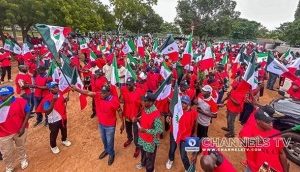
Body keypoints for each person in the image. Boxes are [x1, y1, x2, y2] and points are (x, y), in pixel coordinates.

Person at [72, 84, 121, 165]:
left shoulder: (114, 100)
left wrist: (122, 123)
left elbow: (119, 111)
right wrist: (77, 89)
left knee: (109, 141)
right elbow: (87, 92)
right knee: (104, 140)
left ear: (109, 93)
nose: (101, 94)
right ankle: (106, 150)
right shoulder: (98, 95)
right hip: (101, 124)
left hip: (110, 126)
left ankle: (111, 154)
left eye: (104, 93)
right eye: (101, 92)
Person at [0, 86, 31, 172]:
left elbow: (28, 112)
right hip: (3, 133)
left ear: (12, 94)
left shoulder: (21, 101)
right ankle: (9, 167)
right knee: (6, 152)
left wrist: (23, 127)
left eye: (6, 95)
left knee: (21, 146)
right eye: (1, 95)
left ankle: (23, 159)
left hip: (19, 130)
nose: (3, 97)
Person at [36, 82, 71, 154]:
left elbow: (61, 101)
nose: (56, 88)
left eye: (57, 86)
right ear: (50, 89)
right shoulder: (46, 98)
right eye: (54, 87)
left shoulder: (60, 93)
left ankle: (64, 140)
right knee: (54, 133)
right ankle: (53, 146)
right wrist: (53, 101)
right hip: (54, 120)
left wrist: (65, 100)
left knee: (64, 129)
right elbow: (47, 111)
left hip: (63, 116)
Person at [165, 95, 198, 170]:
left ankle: (188, 168)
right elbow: (170, 115)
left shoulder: (193, 113)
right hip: (174, 133)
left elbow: (195, 123)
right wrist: (168, 118)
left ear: (189, 104)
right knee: (172, 148)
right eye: (181, 102)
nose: (182, 104)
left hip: (185, 137)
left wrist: (194, 133)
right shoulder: (176, 109)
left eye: (185, 103)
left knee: (183, 155)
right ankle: (171, 159)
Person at [136, 92, 163, 172]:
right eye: (143, 100)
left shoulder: (156, 114)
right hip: (142, 137)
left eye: (145, 101)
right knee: (143, 152)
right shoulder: (145, 108)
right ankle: (143, 163)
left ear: (151, 102)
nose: (142, 102)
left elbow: (159, 130)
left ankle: (150, 169)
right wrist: (138, 119)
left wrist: (145, 131)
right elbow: (145, 118)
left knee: (150, 157)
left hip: (150, 141)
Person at [120, 77, 143, 158]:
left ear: (134, 84)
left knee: (136, 133)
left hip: (135, 117)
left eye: (129, 85)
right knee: (128, 130)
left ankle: (138, 146)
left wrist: (137, 117)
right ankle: (130, 139)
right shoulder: (124, 89)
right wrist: (121, 98)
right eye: (127, 84)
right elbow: (121, 100)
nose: (128, 86)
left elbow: (143, 106)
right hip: (127, 115)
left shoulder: (139, 92)